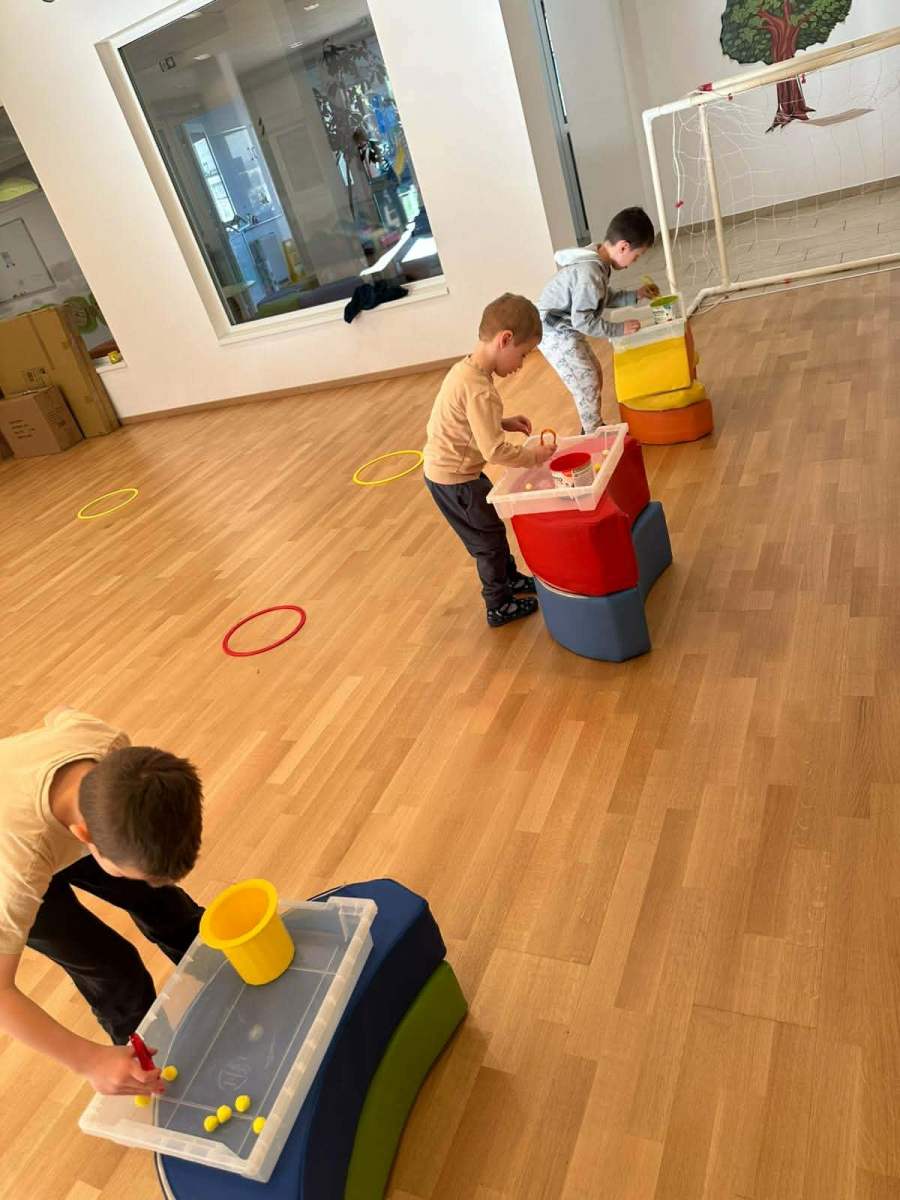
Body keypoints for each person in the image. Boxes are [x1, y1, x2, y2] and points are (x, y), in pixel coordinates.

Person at [0, 707, 203, 1097]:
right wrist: (90, 1061)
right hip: (9, 852)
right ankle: (142, 1065)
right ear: (85, 837)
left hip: (44, 815)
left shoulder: (105, 744)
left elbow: (62, 715)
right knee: (113, 969)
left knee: (163, 903)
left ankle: (219, 971)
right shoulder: (19, 873)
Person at [423, 293, 556, 627]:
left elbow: (467, 419)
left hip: (453, 472)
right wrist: (533, 456)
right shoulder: (481, 390)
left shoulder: (464, 371)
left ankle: (509, 580)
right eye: (522, 355)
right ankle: (498, 604)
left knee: (492, 531)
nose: (521, 365)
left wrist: (502, 422)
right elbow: (494, 451)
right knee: (488, 544)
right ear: (505, 339)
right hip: (457, 480)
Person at [538, 207, 659, 433]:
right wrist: (618, 329)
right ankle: (593, 433)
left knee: (593, 374)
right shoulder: (590, 272)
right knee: (586, 381)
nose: (633, 262)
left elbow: (602, 297)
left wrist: (636, 295)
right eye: (636, 256)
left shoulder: (598, 261)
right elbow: (583, 321)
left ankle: (591, 428)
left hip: (565, 326)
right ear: (623, 247)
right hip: (553, 331)